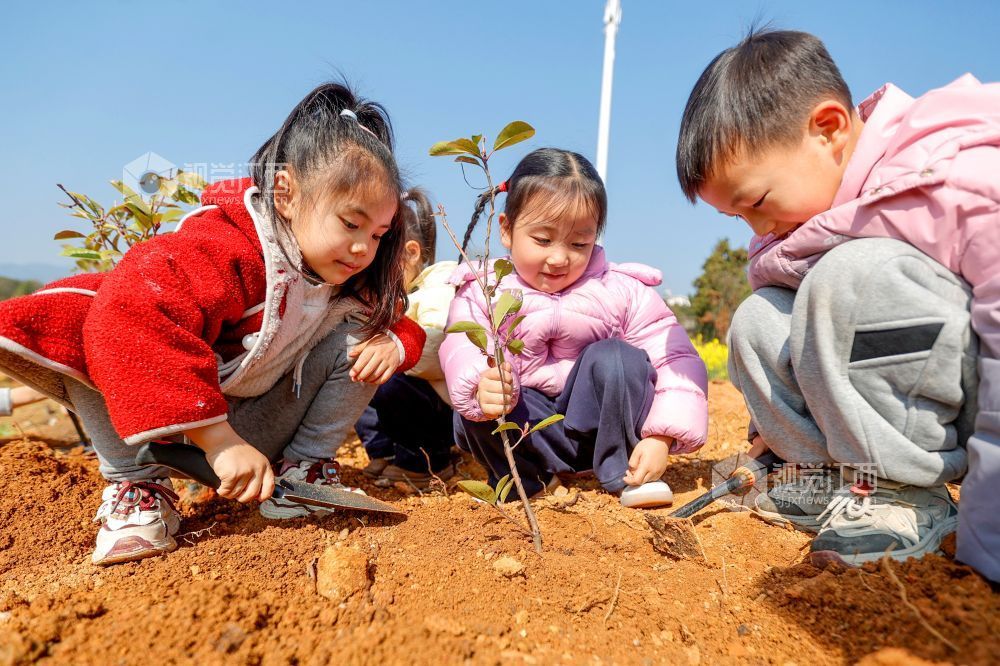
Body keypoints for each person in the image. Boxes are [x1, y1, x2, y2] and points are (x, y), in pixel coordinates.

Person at [0, 82, 426, 565]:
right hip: (156, 428)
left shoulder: (343, 276)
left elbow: (400, 322)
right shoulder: (226, 247)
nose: (363, 250)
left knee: (367, 337)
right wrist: (217, 442)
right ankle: (137, 491)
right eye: (351, 224)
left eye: (377, 234)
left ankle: (303, 472)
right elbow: (137, 311)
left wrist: (396, 341)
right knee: (90, 319)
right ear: (285, 193)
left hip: (253, 427)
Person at [676, 28, 1000, 578]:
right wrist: (776, 438)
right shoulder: (808, 228)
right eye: (738, 217)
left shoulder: (956, 183)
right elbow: (810, 347)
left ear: (828, 129)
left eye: (756, 201)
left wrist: (989, 536)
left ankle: (905, 493)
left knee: (848, 279)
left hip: (973, 400)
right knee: (760, 318)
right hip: (906, 402)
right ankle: (839, 484)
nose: (755, 227)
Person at [441, 148, 708, 501]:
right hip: (528, 432)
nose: (559, 257)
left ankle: (625, 473)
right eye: (542, 239)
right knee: (478, 396)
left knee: (615, 356)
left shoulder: (623, 290)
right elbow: (460, 345)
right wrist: (480, 384)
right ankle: (527, 481)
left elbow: (675, 360)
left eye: (579, 243)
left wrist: (662, 436)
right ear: (506, 230)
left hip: (600, 434)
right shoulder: (482, 290)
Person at [354, 187, 459, 489]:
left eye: (380, 268)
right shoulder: (395, 297)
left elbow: (436, 350)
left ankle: (428, 460)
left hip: (444, 407)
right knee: (357, 375)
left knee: (389, 380)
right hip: (415, 403)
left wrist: (395, 351)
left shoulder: (440, 287)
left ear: (412, 253)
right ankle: (385, 451)